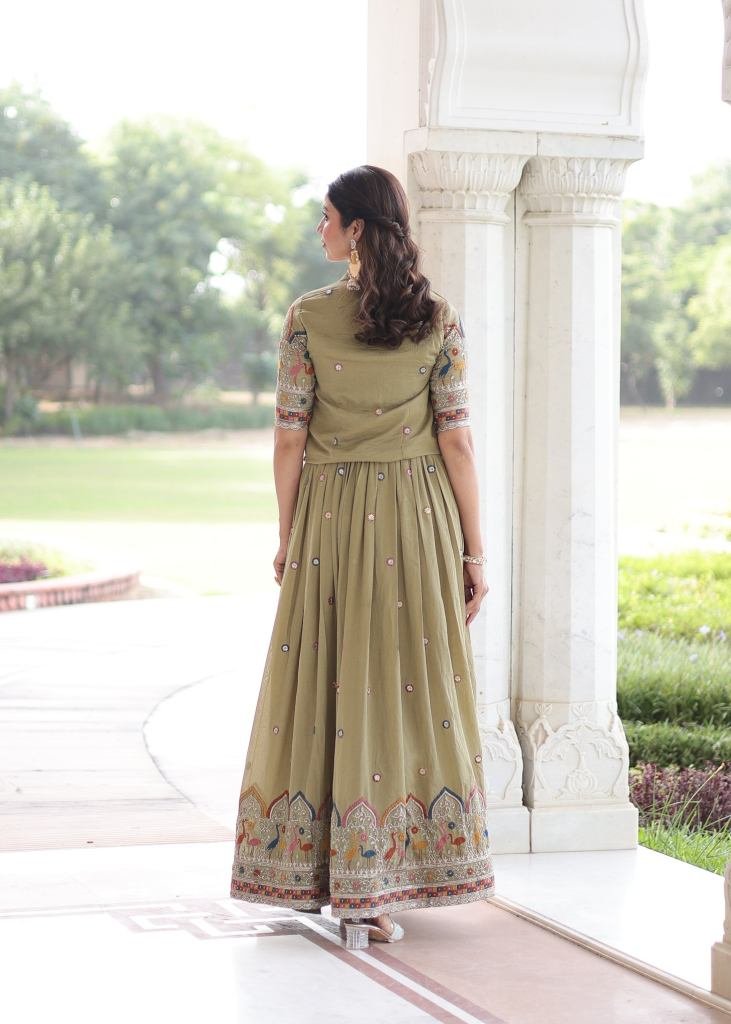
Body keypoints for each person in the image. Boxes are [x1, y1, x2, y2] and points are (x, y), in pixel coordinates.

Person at [229, 164, 495, 948]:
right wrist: (474, 553)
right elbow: (456, 440)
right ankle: (380, 884)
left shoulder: (307, 317)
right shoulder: (436, 316)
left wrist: (288, 536)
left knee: (328, 680)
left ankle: (329, 880)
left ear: (353, 228)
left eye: (325, 216)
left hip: (330, 519)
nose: (318, 228)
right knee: (404, 687)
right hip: (418, 518)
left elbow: (288, 439)